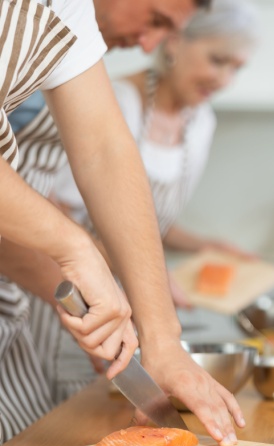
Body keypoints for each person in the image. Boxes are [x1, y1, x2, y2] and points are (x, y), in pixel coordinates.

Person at [0, 0, 244, 446]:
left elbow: (106, 149)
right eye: (154, 18)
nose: (151, 44)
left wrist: (163, 339)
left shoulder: (67, 12)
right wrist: (77, 249)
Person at [47, 0, 258, 402]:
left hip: (129, 302)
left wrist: (202, 248)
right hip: (72, 290)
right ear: (177, 41)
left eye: (236, 67)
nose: (223, 78)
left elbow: (145, 217)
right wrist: (150, 279)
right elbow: (66, 211)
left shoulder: (201, 123)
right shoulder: (117, 100)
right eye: (217, 60)